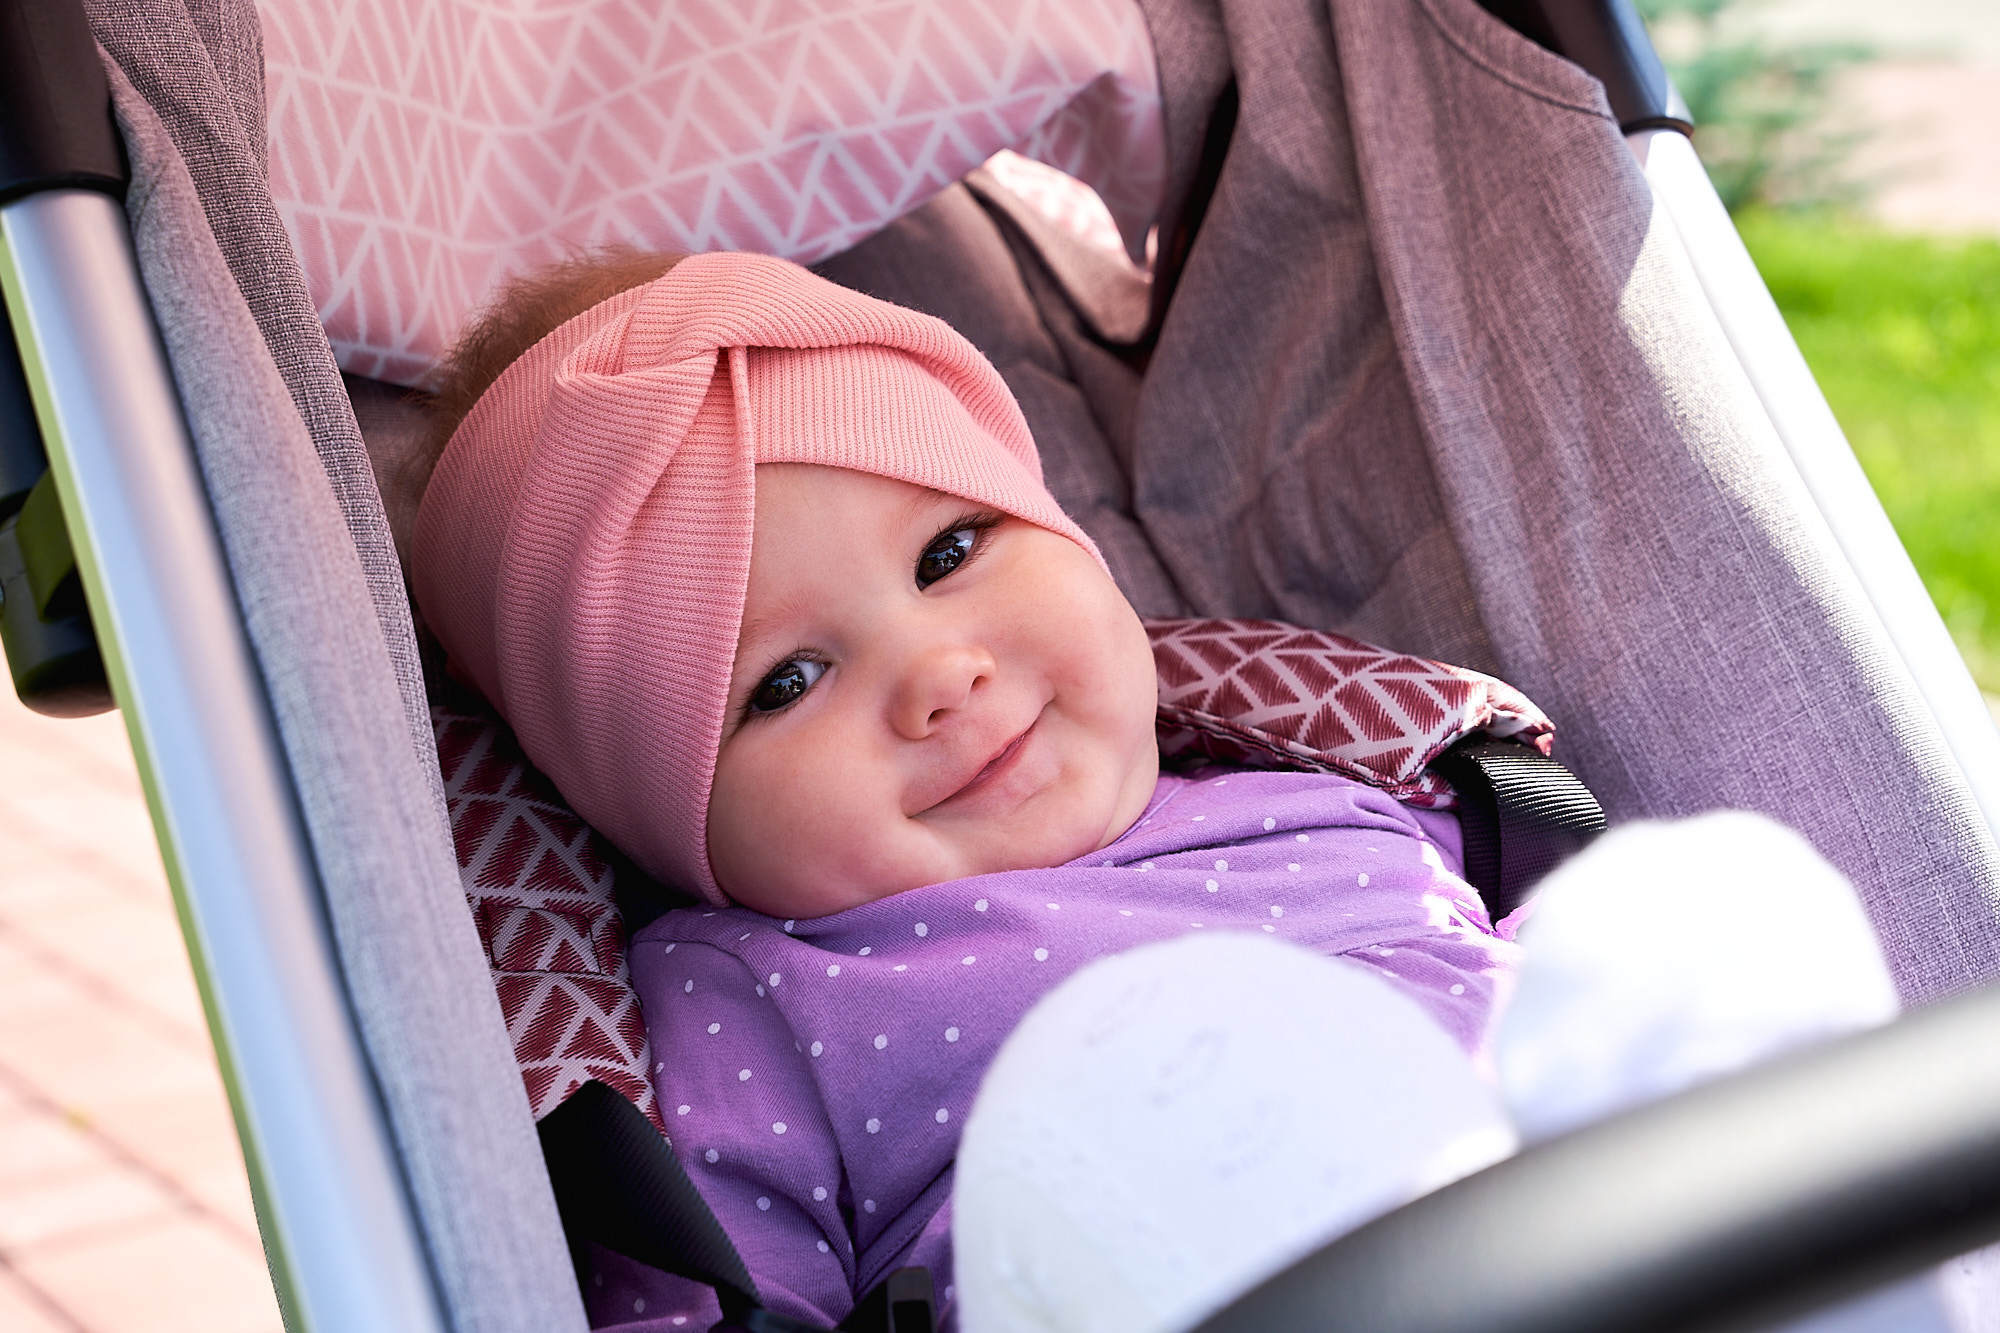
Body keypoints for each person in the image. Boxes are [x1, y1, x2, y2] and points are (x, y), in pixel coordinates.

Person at [406, 248, 1928, 1333]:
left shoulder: (1325, 778)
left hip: (1594, 1219)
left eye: (952, 552)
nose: (939, 673)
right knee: (1140, 1073)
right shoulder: (746, 993)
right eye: (785, 682)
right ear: (669, 820)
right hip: (1177, 1255)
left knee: (1711, 904)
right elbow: (708, 1298)